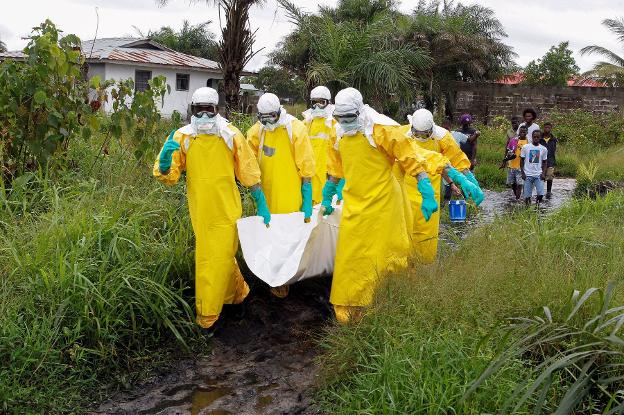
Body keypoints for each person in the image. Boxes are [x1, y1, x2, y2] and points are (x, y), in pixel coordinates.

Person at [319, 88, 463, 324]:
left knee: (385, 255)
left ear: (360, 111)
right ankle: (350, 303)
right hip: (355, 202)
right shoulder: (338, 134)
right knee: (351, 255)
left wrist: (426, 190)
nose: (344, 123)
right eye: (340, 118)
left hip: (385, 203)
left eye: (349, 118)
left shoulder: (381, 130)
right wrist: (327, 194)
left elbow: (410, 158)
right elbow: (335, 168)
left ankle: (385, 299)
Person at [153, 87, 271, 330]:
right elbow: (170, 175)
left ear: (217, 110)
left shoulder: (230, 134)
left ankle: (208, 316)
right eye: (199, 110)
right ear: (193, 110)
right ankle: (239, 296)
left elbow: (248, 170)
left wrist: (261, 202)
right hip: (201, 211)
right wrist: (165, 164)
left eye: (209, 110)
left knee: (212, 259)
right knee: (222, 258)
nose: (204, 116)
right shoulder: (182, 137)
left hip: (228, 210)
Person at [247, 93, 315, 298]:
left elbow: (307, 167)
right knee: (267, 237)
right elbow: (247, 164)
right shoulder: (256, 132)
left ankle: (285, 280)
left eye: (271, 117)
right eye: (263, 118)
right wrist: (258, 198)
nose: (268, 122)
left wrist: (307, 198)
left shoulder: (295, 129)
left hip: (290, 195)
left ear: (279, 112)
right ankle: (270, 276)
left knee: (288, 239)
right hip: (265, 195)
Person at [401, 109, 484, 263]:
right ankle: (406, 266)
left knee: (427, 232)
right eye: (417, 134)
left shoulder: (442, 138)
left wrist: (469, 179)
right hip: (407, 191)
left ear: (431, 129)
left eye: (425, 135)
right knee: (405, 230)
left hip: (431, 193)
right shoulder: (402, 135)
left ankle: (423, 265)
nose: (420, 137)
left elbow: (456, 159)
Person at [301, 86, 344, 204]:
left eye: (321, 102)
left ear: (328, 103)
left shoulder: (335, 124)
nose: (317, 106)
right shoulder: (306, 123)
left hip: (329, 177)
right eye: (314, 102)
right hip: (309, 176)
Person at [521, 129, 548, 206]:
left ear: (540, 138)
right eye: (534, 137)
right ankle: (527, 209)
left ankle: (537, 207)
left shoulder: (543, 149)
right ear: (532, 137)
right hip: (527, 174)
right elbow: (522, 160)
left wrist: (543, 173)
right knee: (527, 196)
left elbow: (545, 162)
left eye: (538, 137)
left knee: (541, 194)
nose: (536, 138)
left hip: (538, 174)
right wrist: (522, 173)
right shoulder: (525, 147)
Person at [504, 125, 529, 200]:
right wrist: (509, 156)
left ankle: (517, 200)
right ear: (519, 132)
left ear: (527, 132)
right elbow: (508, 151)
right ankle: (517, 197)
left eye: (524, 131)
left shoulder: (528, 143)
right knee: (513, 183)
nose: (522, 133)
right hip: (512, 165)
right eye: (521, 131)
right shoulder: (513, 140)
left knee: (520, 184)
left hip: (522, 167)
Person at [540, 122, 558, 199]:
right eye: (545, 127)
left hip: (550, 160)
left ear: (551, 128)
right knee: (541, 176)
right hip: (541, 161)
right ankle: (540, 191)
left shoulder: (553, 139)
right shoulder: (540, 138)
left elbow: (554, 150)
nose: (547, 129)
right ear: (543, 128)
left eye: (548, 127)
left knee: (550, 176)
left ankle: (548, 191)